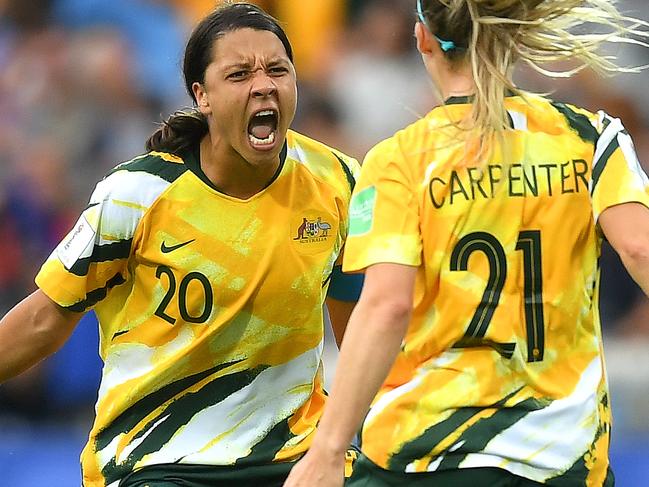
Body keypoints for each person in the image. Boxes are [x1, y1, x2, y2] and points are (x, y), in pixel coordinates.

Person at [284, 0, 649, 486]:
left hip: (428, 456)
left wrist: (328, 449)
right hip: (561, 457)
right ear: (514, 38)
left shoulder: (397, 161)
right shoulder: (590, 137)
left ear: (423, 39)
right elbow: (640, 249)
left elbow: (386, 306)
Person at [0, 3, 363, 486]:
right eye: (239, 74)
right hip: (159, 461)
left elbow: (358, 328)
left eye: (278, 69)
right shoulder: (137, 194)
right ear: (202, 96)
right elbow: (46, 318)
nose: (264, 85)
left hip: (292, 458)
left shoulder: (338, 182)